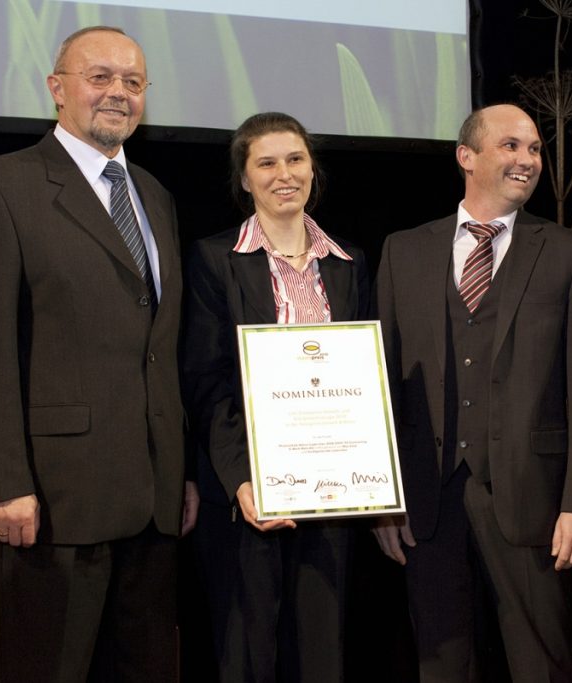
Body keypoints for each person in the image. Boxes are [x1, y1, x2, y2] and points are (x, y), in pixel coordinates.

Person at [0, 26, 197, 683]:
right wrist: (4, 482)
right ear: (57, 88)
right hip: (54, 503)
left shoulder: (156, 196)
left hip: (153, 501)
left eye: (134, 82)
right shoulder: (1, 186)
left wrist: (182, 467)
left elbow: (159, 348)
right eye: (101, 77)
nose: (119, 92)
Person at [373, 103, 572, 682]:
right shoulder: (404, 251)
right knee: (443, 665)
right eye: (511, 146)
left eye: (533, 149)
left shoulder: (570, 253)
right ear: (466, 156)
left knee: (543, 664)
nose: (527, 160)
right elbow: (381, 384)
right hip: (429, 500)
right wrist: (384, 501)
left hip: (535, 500)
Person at [181, 111, 368, 683]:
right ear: (244, 178)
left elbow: (365, 383)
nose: (284, 174)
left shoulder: (350, 263)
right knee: (248, 652)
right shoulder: (215, 259)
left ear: (312, 169)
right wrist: (243, 480)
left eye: (296, 160)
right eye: (266, 162)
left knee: (321, 654)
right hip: (247, 498)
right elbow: (207, 380)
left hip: (334, 497)